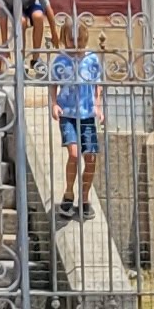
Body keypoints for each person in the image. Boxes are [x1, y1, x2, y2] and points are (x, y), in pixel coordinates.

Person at [47, 20, 106, 220]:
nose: (75, 41)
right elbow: (53, 84)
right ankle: (68, 193)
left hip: (87, 114)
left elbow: (98, 84)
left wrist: (98, 107)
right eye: (71, 38)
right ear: (65, 38)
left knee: (90, 157)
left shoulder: (91, 59)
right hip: (68, 114)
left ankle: (84, 197)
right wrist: (54, 103)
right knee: (73, 154)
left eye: (78, 37)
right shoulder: (60, 60)